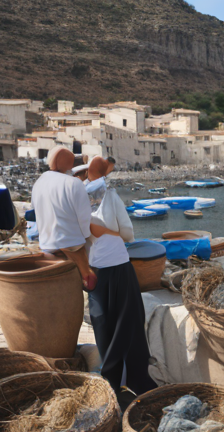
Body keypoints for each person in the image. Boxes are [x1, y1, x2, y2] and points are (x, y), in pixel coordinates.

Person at [85, 156, 157, 396]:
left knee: (103, 323)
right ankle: (136, 378)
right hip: (118, 264)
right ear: (104, 172)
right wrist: (113, 232)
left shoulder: (79, 196)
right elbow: (127, 233)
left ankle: (111, 380)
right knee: (129, 322)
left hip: (96, 267)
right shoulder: (110, 195)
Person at [31, 148, 113, 291]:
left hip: (46, 242)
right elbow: (84, 218)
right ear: (70, 163)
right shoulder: (74, 183)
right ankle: (89, 278)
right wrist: (87, 236)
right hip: (70, 243)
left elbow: (34, 210)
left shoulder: (38, 182)